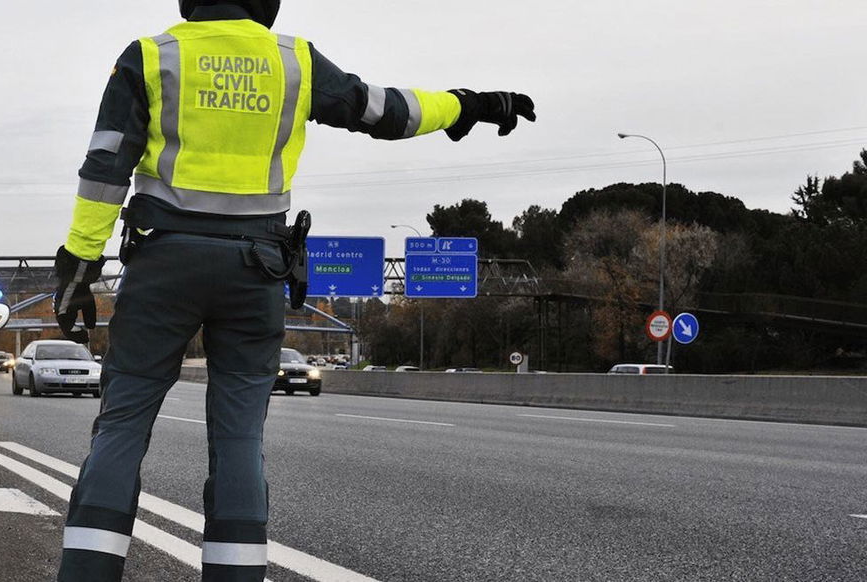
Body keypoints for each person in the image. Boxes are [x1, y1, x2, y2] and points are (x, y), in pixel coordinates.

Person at [52, 1, 536, 580]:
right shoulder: (294, 63)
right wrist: (470, 105)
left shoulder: (152, 57)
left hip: (163, 266)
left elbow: (105, 166)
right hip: (256, 269)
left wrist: (78, 267)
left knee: (123, 425)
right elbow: (384, 110)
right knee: (237, 439)